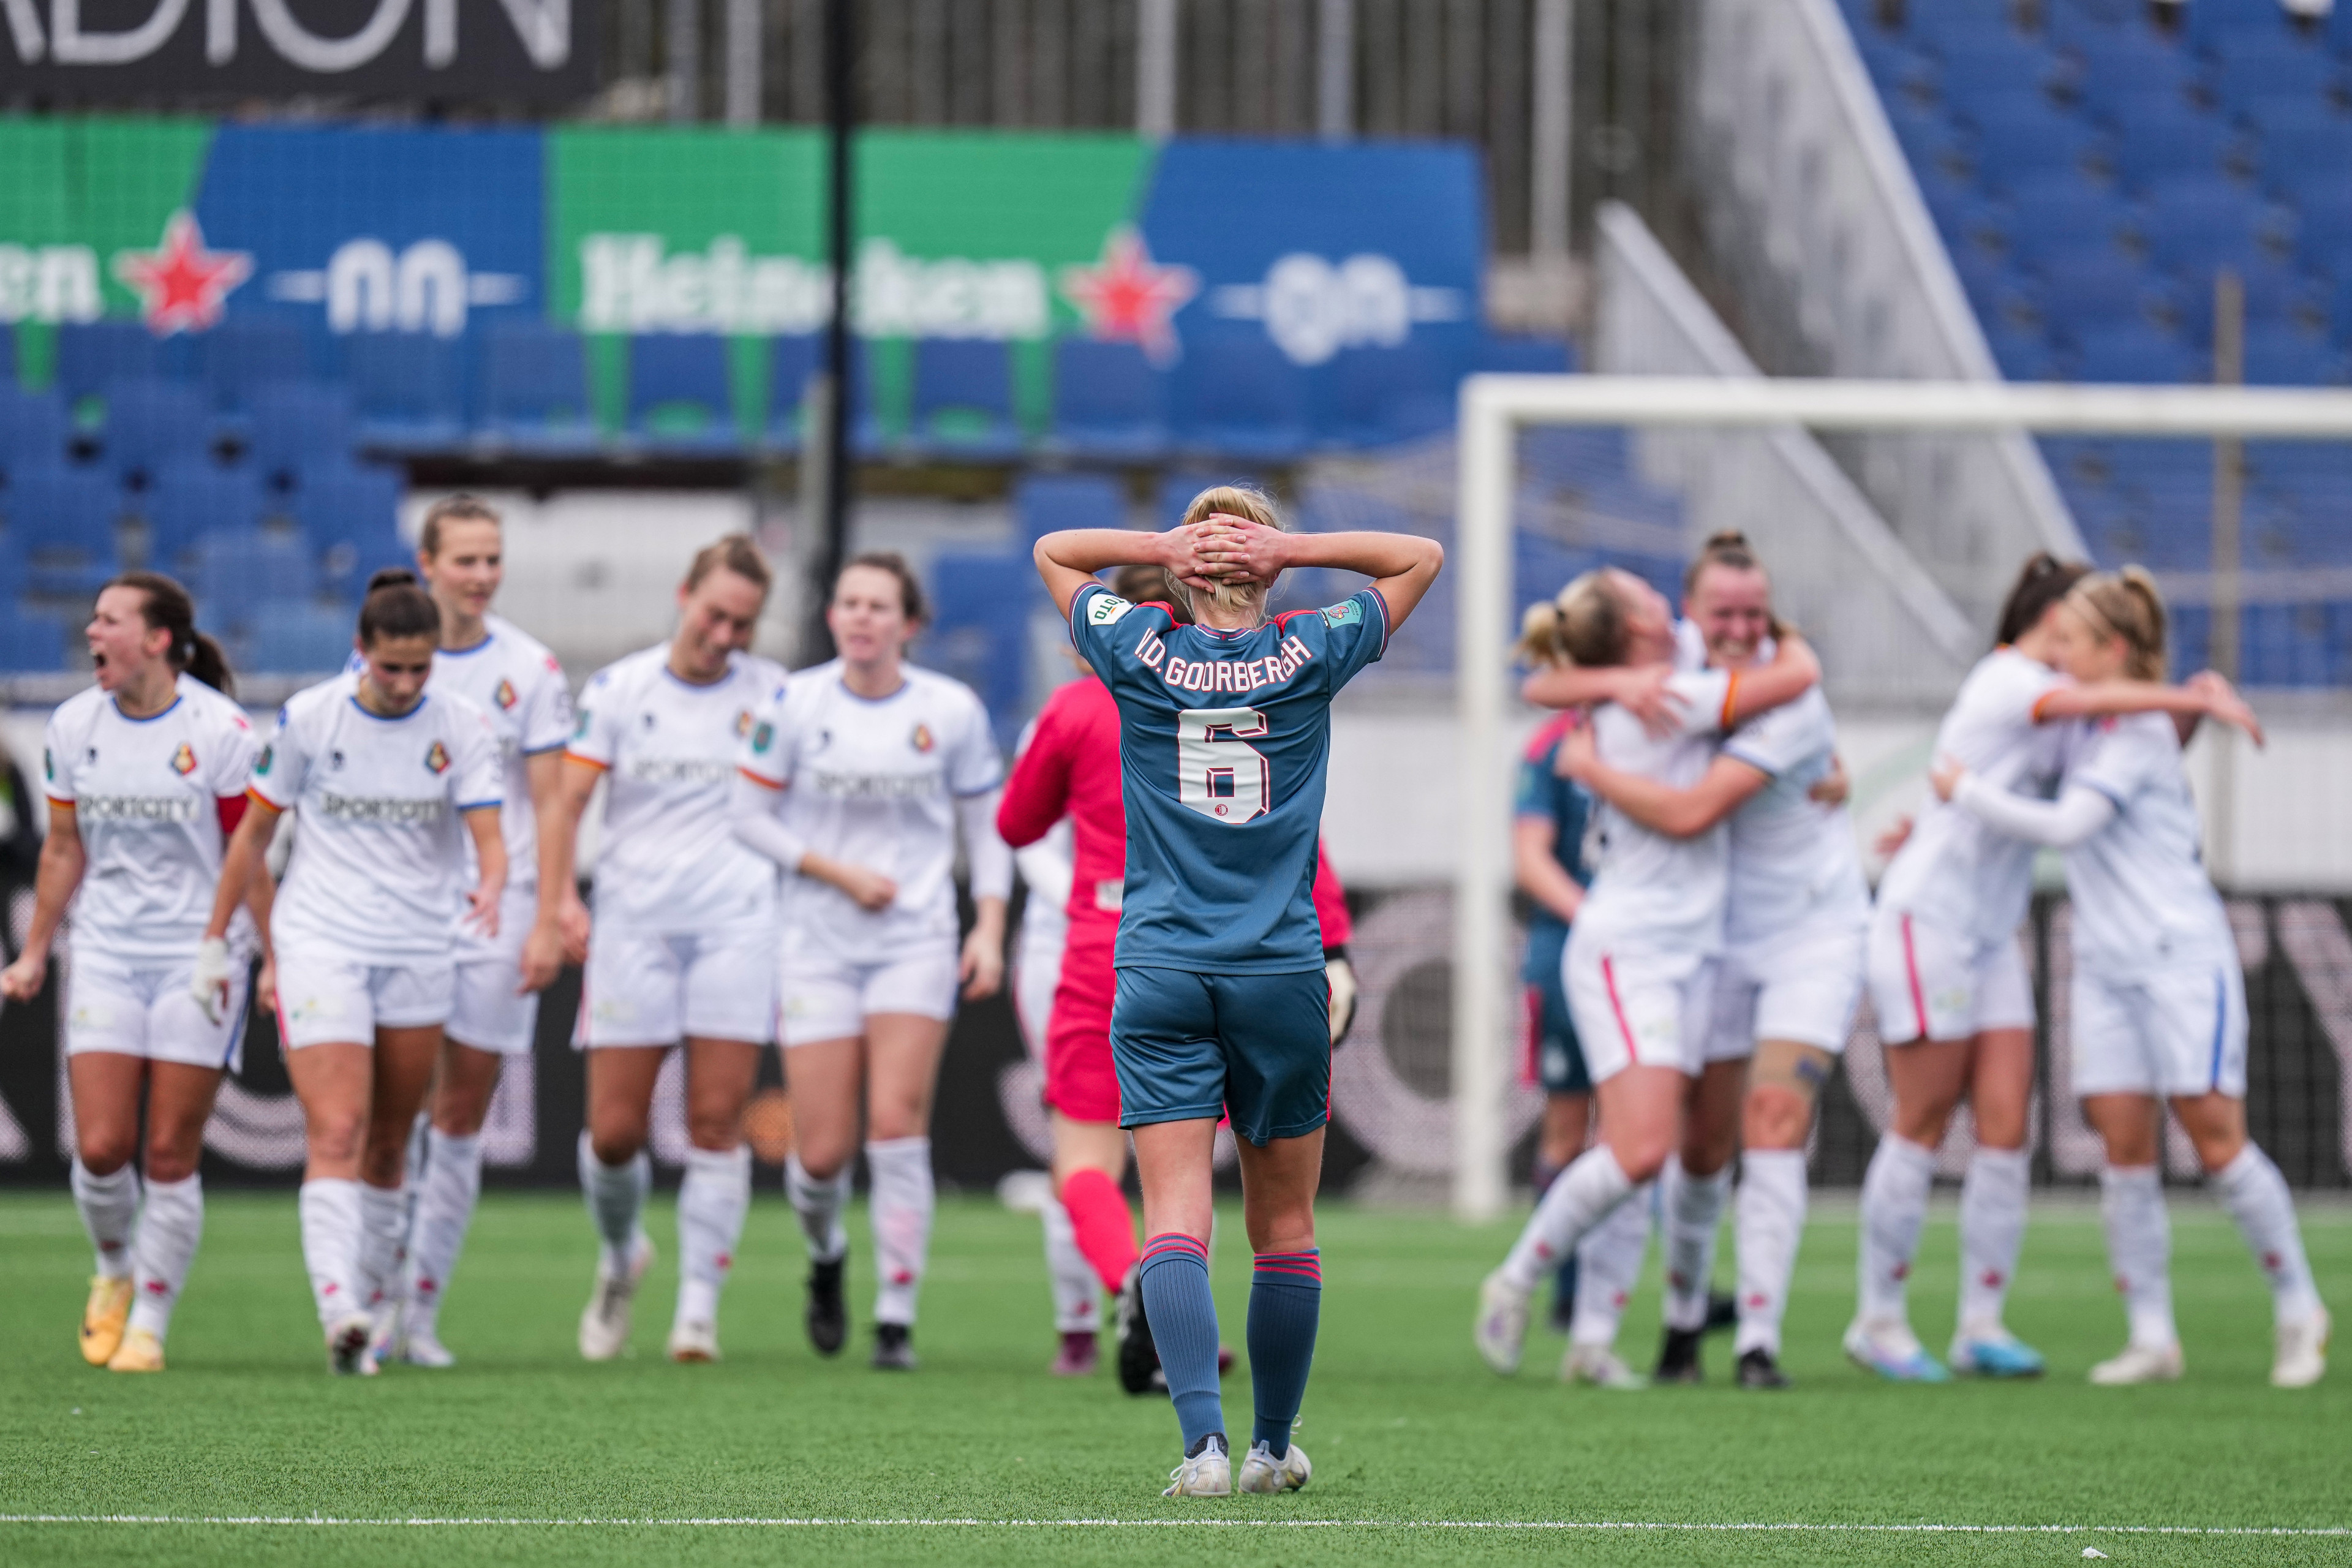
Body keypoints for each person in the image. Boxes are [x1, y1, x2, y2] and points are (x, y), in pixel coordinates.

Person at [1033, 484, 1442, 1498]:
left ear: (1180, 571)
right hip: (1280, 970)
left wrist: (1164, 545)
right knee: (1286, 1226)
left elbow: (1053, 551)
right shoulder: (1310, 649)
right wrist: (1290, 550)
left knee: (1175, 1211)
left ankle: (1201, 1450)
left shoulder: (1134, 646)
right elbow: (1420, 555)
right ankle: (1271, 1448)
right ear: (1267, 567)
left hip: (1162, 964)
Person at [1854, 553, 2264, 1382]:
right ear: (2048, 626)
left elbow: (2124, 739)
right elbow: (2101, 702)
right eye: (2069, 628)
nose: (2073, 644)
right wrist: (2196, 695)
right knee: (1925, 1115)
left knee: (2007, 1124)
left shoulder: (2064, 704)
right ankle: (1880, 1320)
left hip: (1991, 927)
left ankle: (1980, 1322)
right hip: (1928, 919)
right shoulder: (2009, 677)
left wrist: (2181, 713)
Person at [1930, 570, 2326, 1388]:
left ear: (2110, 648)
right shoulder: (2104, 721)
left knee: (2217, 1137)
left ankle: (2298, 1307)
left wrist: (1960, 791)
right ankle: (2153, 1334)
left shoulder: (2136, 732)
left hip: (2180, 955)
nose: (2056, 655)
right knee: (2124, 1145)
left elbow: (2068, 825)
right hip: (2106, 965)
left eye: (2070, 640)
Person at [997, 562, 1359, 1395]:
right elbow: (1303, 834)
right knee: (1219, 1177)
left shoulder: (1084, 703)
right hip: (1261, 946)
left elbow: (1015, 821)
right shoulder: (1262, 687)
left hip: (1115, 944)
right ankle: (1211, 1361)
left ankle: (1126, 1291)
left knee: (1088, 1162)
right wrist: (1335, 947)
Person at [1473, 566, 1823, 1383]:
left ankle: (1594, 1338)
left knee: (1641, 1149)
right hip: (1632, 950)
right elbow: (1798, 677)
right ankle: (1517, 1280)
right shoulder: (1670, 691)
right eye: (1647, 600)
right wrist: (1791, 636)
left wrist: (1605, 680)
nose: (1668, 604)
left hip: (1689, 949)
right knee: (1639, 1150)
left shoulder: (1649, 676)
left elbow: (1547, 680)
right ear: (1637, 630)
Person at [1547, 534, 1867, 1389]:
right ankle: (1684, 1328)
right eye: (1723, 611)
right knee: (1699, 1148)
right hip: (1718, 934)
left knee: (1774, 1123)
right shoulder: (1678, 663)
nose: (1738, 626)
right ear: (1691, 614)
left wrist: (1585, 763)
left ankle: (1759, 1340)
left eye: (1754, 613)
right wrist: (1612, 681)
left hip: (1812, 931)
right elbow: (1546, 681)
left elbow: (1692, 810)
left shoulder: (1786, 694)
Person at [203, 569, 505, 1374]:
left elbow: (489, 833)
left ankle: (372, 1311)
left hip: (418, 947)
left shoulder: (465, 724)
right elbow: (252, 839)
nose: (406, 684)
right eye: (390, 667)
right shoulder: (309, 717)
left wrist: (496, 882)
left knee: (388, 1143)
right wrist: (220, 938)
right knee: (337, 1130)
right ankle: (339, 1307)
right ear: (360, 652)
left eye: (421, 668)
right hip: (322, 942)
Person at [733, 552, 1010, 1371]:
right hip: (816, 942)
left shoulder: (950, 710)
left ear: (909, 625)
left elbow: (986, 828)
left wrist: (986, 926)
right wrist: (835, 871)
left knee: (896, 1125)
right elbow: (746, 815)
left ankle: (895, 1314)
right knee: (819, 1155)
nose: (861, 618)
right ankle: (826, 1260)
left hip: (914, 942)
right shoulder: (792, 702)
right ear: (832, 618)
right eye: (849, 603)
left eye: (879, 606)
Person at [1, 575, 264, 1374]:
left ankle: (149, 1319)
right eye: (92, 620)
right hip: (109, 952)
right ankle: (114, 1267)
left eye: (109, 621)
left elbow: (245, 855)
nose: (92, 633)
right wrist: (36, 952)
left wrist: (259, 953)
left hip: (199, 955)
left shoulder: (220, 730)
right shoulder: (75, 724)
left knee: (170, 1153)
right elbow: (61, 848)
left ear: (156, 639)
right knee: (106, 1146)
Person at [548, 533, 785, 1365]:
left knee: (716, 1122)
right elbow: (568, 804)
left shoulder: (777, 696)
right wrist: (557, 902)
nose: (725, 636)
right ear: (685, 594)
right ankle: (621, 1259)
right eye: (716, 615)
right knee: (613, 1134)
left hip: (736, 924)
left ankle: (697, 1313)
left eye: (744, 625)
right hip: (634, 927)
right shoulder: (619, 689)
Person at [371, 496, 579, 1368]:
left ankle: (419, 1316)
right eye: (466, 560)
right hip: (401, 909)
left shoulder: (529, 667)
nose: (483, 576)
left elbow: (554, 798)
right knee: (391, 1114)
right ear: (427, 564)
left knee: (459, 1115)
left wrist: (551, 913)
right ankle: (368, 1303)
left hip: (503, 907)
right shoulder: (385, 657)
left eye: (493, 560)